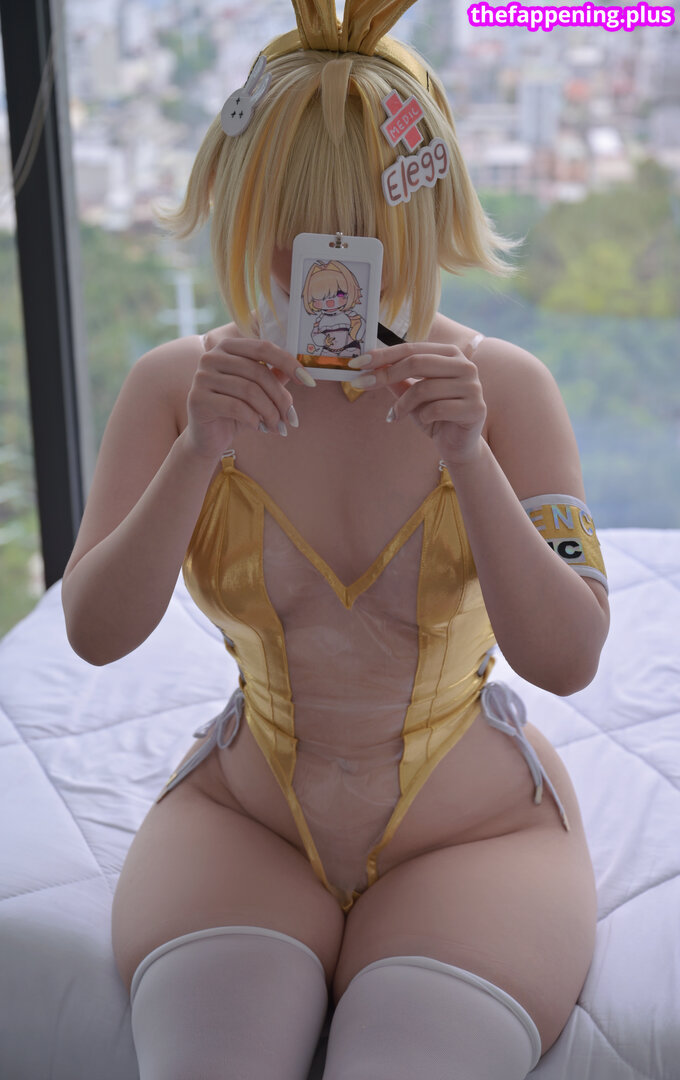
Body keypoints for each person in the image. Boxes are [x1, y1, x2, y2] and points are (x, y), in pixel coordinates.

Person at [61, 2, 610, 1077]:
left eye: (355, 223)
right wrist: (198, 450)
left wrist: (470, 458)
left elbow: (569, 658)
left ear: (419, 217)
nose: (316, 255)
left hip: (474, 837)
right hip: (248, 822)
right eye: (287, 218)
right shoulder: (175, 389)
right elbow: (93, 631)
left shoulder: (506, 392)